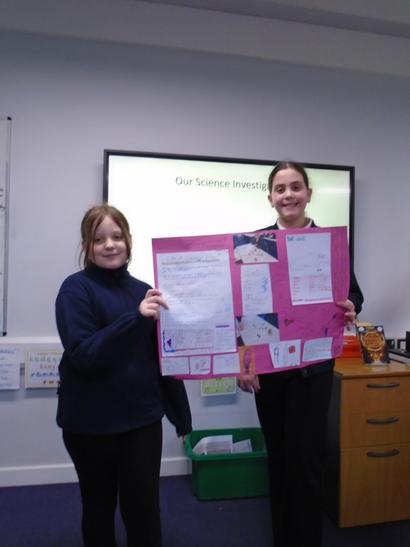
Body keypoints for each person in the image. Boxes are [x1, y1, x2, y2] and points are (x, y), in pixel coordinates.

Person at [238, 161, 363, 547]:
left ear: (308, 193)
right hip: (272, 371)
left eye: (295, 187)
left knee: (307, 461)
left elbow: (353, 294)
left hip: (313, 370)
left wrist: (351, 307)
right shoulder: (254, 244)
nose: (288, 195)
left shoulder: (329, 242)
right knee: (278, 458)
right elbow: (244, 308)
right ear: (270, 198)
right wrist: (245, 363)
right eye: (280, 189)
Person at [55, 205, 192, 547]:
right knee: (99, 507)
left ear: (129, 240)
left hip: (142, 422)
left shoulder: (144, 291)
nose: (110, 245)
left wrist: (181, 415)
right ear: (86, 246)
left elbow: (162, 359)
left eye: (117, 236)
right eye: (99, 239)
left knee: (144, 510)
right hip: (90, 426)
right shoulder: (75, 290)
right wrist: (136, 319)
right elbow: (84, 355)